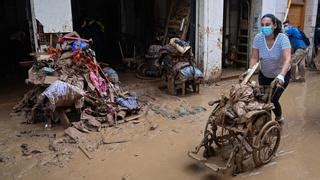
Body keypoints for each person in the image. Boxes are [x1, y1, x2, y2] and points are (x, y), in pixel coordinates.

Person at [246, 14, 291, 124]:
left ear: (274, 25)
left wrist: (281, 76)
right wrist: (249, 71)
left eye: (267, 24)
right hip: (264, 73)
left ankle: (279, 118)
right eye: (262, 25)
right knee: (262, 99)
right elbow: (254, 57)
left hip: (281, 74)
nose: (264, 27)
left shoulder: (282, 38)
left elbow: (287, 59)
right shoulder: (258, 38)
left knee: (273, 99)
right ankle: (266, 121)